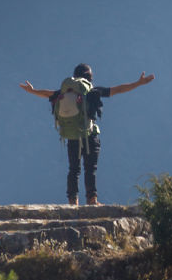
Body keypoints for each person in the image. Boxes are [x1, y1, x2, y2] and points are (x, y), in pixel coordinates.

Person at [19, 63, 154, 206]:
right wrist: (138, 83)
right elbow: (118, 89)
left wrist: (32, 91)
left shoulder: (64, 92)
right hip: (90, 135)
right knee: (90, 168)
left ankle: (72, 201)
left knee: (74, 169)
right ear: (89, 77)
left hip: (72, 135)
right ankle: (92, 199)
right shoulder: (92, 90)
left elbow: (48, 93)